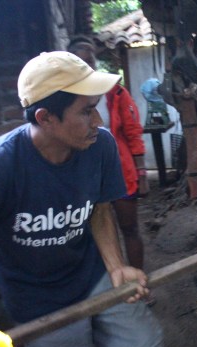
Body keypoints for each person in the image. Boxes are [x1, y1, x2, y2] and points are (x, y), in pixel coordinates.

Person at [0, 51, 163, 347]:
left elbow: (100, 209)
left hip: (93, 275)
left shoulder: (99, 146)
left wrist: (116, 266)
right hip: (37, 298)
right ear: (46, 118)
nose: (99, 122)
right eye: (87, 112)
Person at [67, 37, 150, 278]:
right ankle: (112, 282)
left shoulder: (114, 92)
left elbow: (133, 131)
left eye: (90, 61)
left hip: (120, 170)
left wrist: (142, 172)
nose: (86, 66)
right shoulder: (64, 97)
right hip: (84, 174)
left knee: (130, 228)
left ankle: (138, 282)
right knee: (94, 232)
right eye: (80, 61)